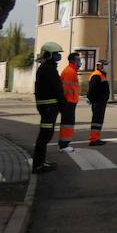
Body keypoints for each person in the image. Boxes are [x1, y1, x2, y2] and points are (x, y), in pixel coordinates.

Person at [32, 42, 66, 172]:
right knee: (45, 135)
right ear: (49, 55)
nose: (58, 56)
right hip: (49, 107)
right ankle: (38, 165)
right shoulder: (49, 70)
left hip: (47, 107)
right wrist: (64, 107)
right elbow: (58, 89)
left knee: (46, 135)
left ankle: (41, 162)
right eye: (56, 54)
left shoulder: (45, 68)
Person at [58, 52, 82, 152]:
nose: (80, 62)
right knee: (67, 123)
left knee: (68, 123)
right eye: (78, 60)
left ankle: (64, 144)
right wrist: (64, 102)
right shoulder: (70, 72)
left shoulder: (72, 71)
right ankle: (64, 145)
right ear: (72, 61)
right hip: (68, 102)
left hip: (70, 101)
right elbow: (65, 89)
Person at [86, 60, 110, 147]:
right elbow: (91, 90)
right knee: (97, 120)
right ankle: (94, 139)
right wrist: (92, 99)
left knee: (99, 121)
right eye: (106, 65)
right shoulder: (96, 75)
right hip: (98, 102)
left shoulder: (101, 74)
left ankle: (96, 138)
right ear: (101, 66)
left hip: (101, 102)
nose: (107, 67)